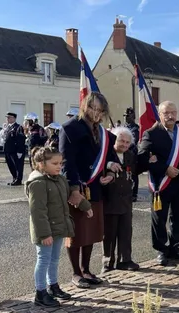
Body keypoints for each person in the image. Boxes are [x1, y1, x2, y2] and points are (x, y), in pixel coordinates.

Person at [60, 92, 120, 288]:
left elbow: (112, 159)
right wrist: (73, 189)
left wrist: (111, 174)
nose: (96, 113)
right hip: (77, 187)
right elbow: (67, 162)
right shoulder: (70, 128)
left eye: (100, 110)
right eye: (93, 108)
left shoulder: (104, 134)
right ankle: (76, 273)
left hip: (96, 187)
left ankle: (86, 269)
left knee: (92, 231)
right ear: (85, 106)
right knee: (76, 232)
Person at [26, 146, 92, 307]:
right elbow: (37, 212)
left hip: (58, 227)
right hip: (46, 231)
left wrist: (85, 206)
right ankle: (40, 293)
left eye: (60, 163)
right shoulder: (38, 183)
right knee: (43, 259)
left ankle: (53, 286)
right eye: (54, 163)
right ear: (41, 163)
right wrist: (44, 234)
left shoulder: (59, 179)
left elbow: (71, 194)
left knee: (54, 259)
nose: (59, 166)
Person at [138, 101, 179, 266]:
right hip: (161, 185)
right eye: (166, 113)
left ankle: (175, 247)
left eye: (173, 112)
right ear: (159, 114)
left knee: (178, 217)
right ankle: (161, 250)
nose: (170, 116)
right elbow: (142, 158)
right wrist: (164, 168)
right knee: (159, 218)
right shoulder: (151, 134)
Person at [101, 127, 141, 273]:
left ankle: (125, 260)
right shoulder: (106, 153)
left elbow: (135, 171)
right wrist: (107, 167)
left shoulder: (130, 155)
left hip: (126, 199)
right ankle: (108, 262)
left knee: (125, 231)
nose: (124, 144)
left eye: (127, 142)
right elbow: (98, 167)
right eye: (121, 141)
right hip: (110, 199)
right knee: (109, 234)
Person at [3, 112, 26, 185]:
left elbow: (21, 139)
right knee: (11, 165)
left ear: (14, 118)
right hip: (8, 150)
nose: (7, 119)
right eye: (7, 117)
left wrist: (20, 151)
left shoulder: (18, 127)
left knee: (17, 166)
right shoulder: (8, 127)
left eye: (9, 117)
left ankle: (18, 180)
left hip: (15, 150)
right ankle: (14, 178)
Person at [124, 108, 140, 202]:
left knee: (133, 175)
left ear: (133, 117)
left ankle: (134, 194)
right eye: (125, 116)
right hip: (124, 155)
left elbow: (133, 141)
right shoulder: (124, 127)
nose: (126, 118)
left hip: (132, 155)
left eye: (128, 116)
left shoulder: (135, 128)